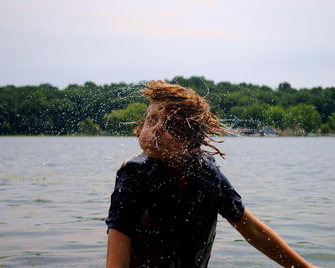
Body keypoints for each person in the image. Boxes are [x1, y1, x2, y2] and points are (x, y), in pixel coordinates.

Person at [106, 81, 318, 268]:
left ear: (192, 143)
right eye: (152, 120)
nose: (157, 129)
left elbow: (252, 230)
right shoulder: (134, 176)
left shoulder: (206, 173)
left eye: (172, 126)